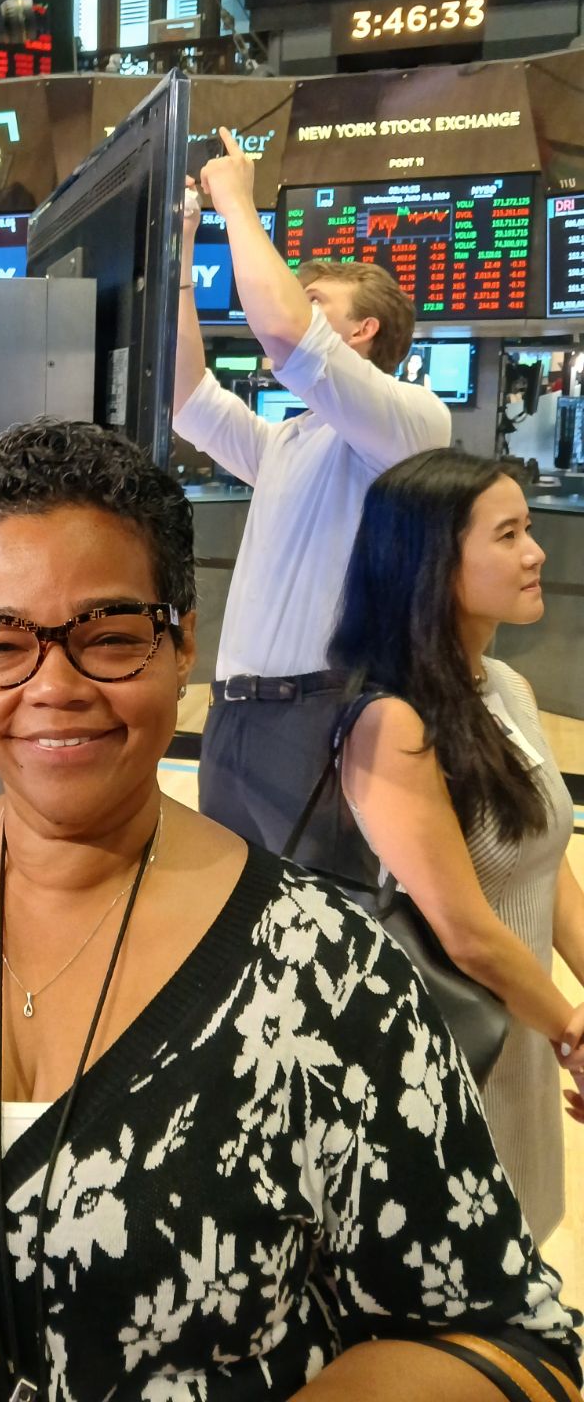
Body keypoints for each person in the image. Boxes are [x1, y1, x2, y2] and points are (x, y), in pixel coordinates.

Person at [0, 419, 581, 1402]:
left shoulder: (328, 974)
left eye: (109, 637)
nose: (54, 688)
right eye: (1, 642)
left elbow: (513, 1339)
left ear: (182, 642)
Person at [174, 129, 451, 869]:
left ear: (363, 331)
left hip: (323, 711)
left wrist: (237, 201)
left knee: (322, 911)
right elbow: (185, 396)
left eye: (316, 298)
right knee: (229, 903)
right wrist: (181, 251)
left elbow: (284, 331)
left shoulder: (411, 420)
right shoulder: (288, 441)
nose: (296, 303)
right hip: (234, 711)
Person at [328, 447, 584, 1243]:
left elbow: (547, 865)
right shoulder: (390, 724)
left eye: (529, 530)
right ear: (433, 563)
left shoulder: (508, 688)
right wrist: (571, 1032)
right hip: (455, 1053)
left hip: (524, 1036)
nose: (535, 554)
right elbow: (466, 930)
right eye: (508, 535)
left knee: (527, 1234)